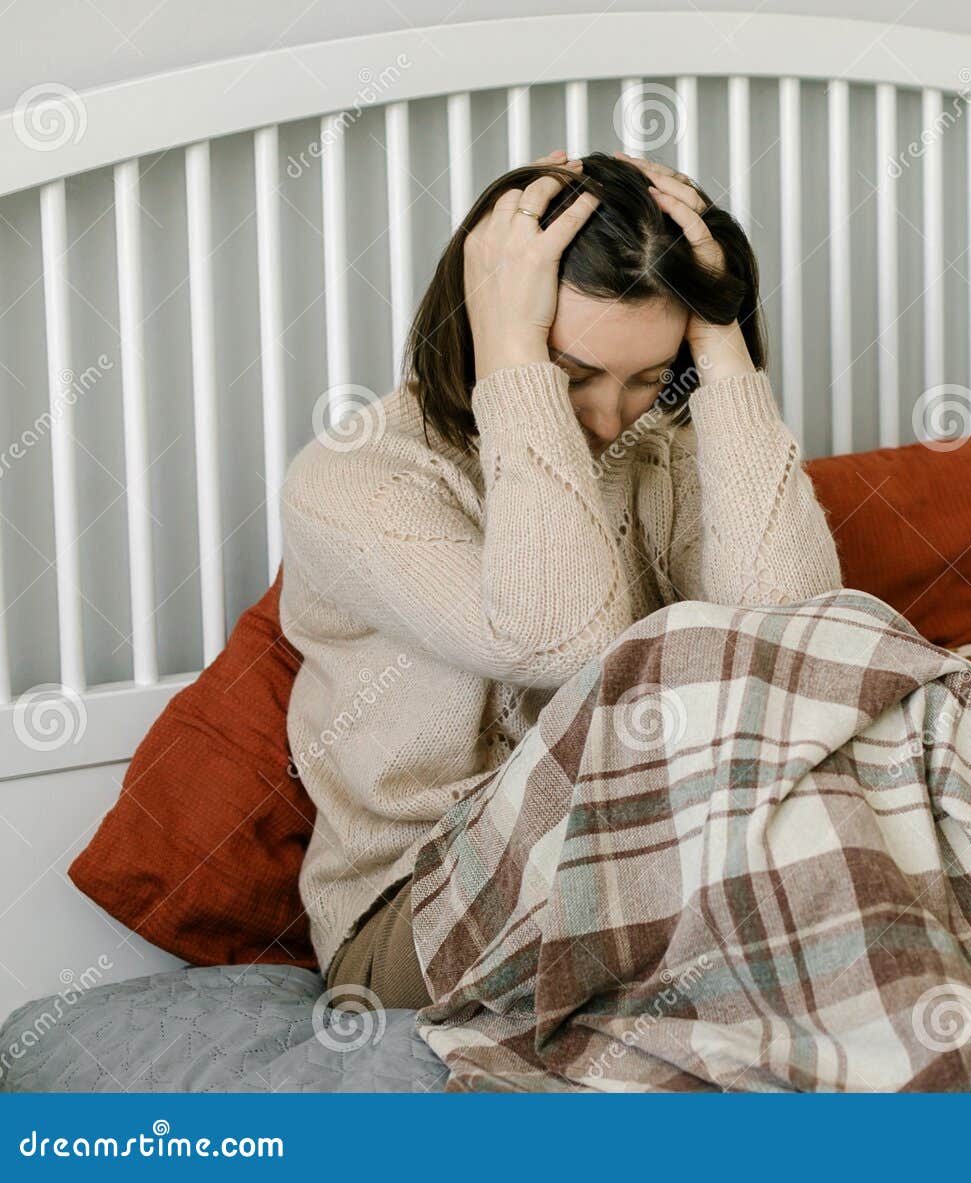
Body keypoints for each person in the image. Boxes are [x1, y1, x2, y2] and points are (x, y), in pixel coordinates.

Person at [279, 149, 842, 1008]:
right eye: (574, 377)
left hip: (657, 841)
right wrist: (511, 360)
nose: (612, 415)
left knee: (878, 707)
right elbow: (562, 641)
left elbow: (794, 630)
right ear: (488, 325)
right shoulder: (359, 479)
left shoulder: (660, 443)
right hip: (418, 911)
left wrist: (723, 341)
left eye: (652, 377)